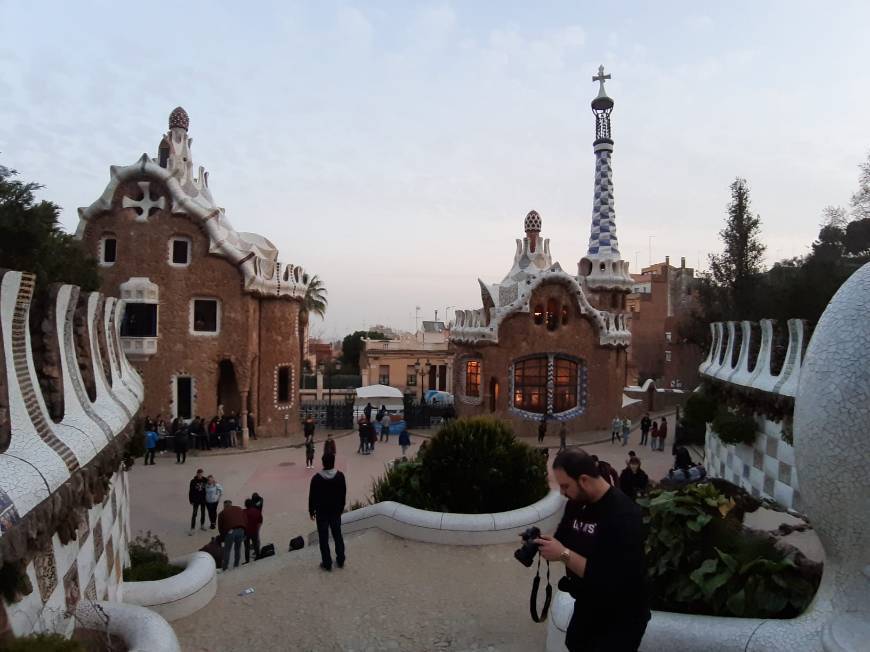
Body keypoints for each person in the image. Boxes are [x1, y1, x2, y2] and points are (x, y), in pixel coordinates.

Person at [535, 449, 650, 651]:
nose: (562, 492)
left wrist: (563, 554)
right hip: (587, 606)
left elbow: (609, 577)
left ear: (584, 480)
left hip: (620, 618)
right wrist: (540, 541)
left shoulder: (624, 514)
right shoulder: (576, 505)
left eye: (565, 486)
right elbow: (562, 539)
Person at [308, 452, 346, 571]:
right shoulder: (340, 476)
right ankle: (340, 560)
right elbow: (343, 495)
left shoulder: (316, 478)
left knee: (323, 539)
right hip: (335, 512)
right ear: (333, 462)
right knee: (338, 536)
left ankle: (327, 562)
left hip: (322, 513)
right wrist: (341, 508)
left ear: (323, 463)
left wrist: (311, 510)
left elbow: (312, 496)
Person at [217, 500, 247, 571]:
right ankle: (236, 565)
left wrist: (223, 537)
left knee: (227, 550)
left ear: (224, 506)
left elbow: (220, 527)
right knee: (237, 548)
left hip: (230, 532)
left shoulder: (222, 513)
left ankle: (225, 568)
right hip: (241, 530)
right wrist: (245, 532)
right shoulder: (239, 508)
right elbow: (245, 519)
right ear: (231, 504)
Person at [188, 469, 208, 534]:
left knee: (203, 513)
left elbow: (211, 483)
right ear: (197, 474)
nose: (200, 475)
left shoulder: (205, 480)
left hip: (203, 500)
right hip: (196, 500)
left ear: (202, 474)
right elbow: (190, 491)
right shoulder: (193, 481)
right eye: (199, 474)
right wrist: (190, 500)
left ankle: (202, 525)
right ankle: (192, 528)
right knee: (194, 514)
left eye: (201, 473)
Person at [243, 498, 263, 563]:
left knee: (246, 546)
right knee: (255, 544)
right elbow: (260, 520)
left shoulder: (243, 512)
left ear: (245, 505)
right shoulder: (257, 511)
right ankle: (258, 556)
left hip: (246, 532)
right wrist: (257, 528)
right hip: (254, 530)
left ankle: (247, 560)